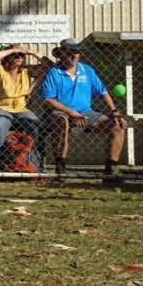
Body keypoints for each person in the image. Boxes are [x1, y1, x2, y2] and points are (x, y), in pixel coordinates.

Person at [40, 38, 126, 181]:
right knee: (62, 120)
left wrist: (114, 112)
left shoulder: (87, 70)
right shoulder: (54, 72)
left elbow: (103, 92)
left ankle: (111, 169)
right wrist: (72, 113)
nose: (74, 55)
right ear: (62, 53)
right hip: (60, 113)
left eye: (77, 52)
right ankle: (60, 169)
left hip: (86, 112)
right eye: (70, 52)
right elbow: (48, 99)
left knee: (118, 125)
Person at [0, 43, 51, 171]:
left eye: (21, 55)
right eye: (15, 55)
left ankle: (38, 163)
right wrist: (13, 49)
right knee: (0, 127)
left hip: (21, 109)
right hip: (1, 108)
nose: (19, 56)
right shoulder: (0, 71)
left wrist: (31, 52)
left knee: (36, 127)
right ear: (7, 56)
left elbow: (49, 66)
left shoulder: (27, 71)